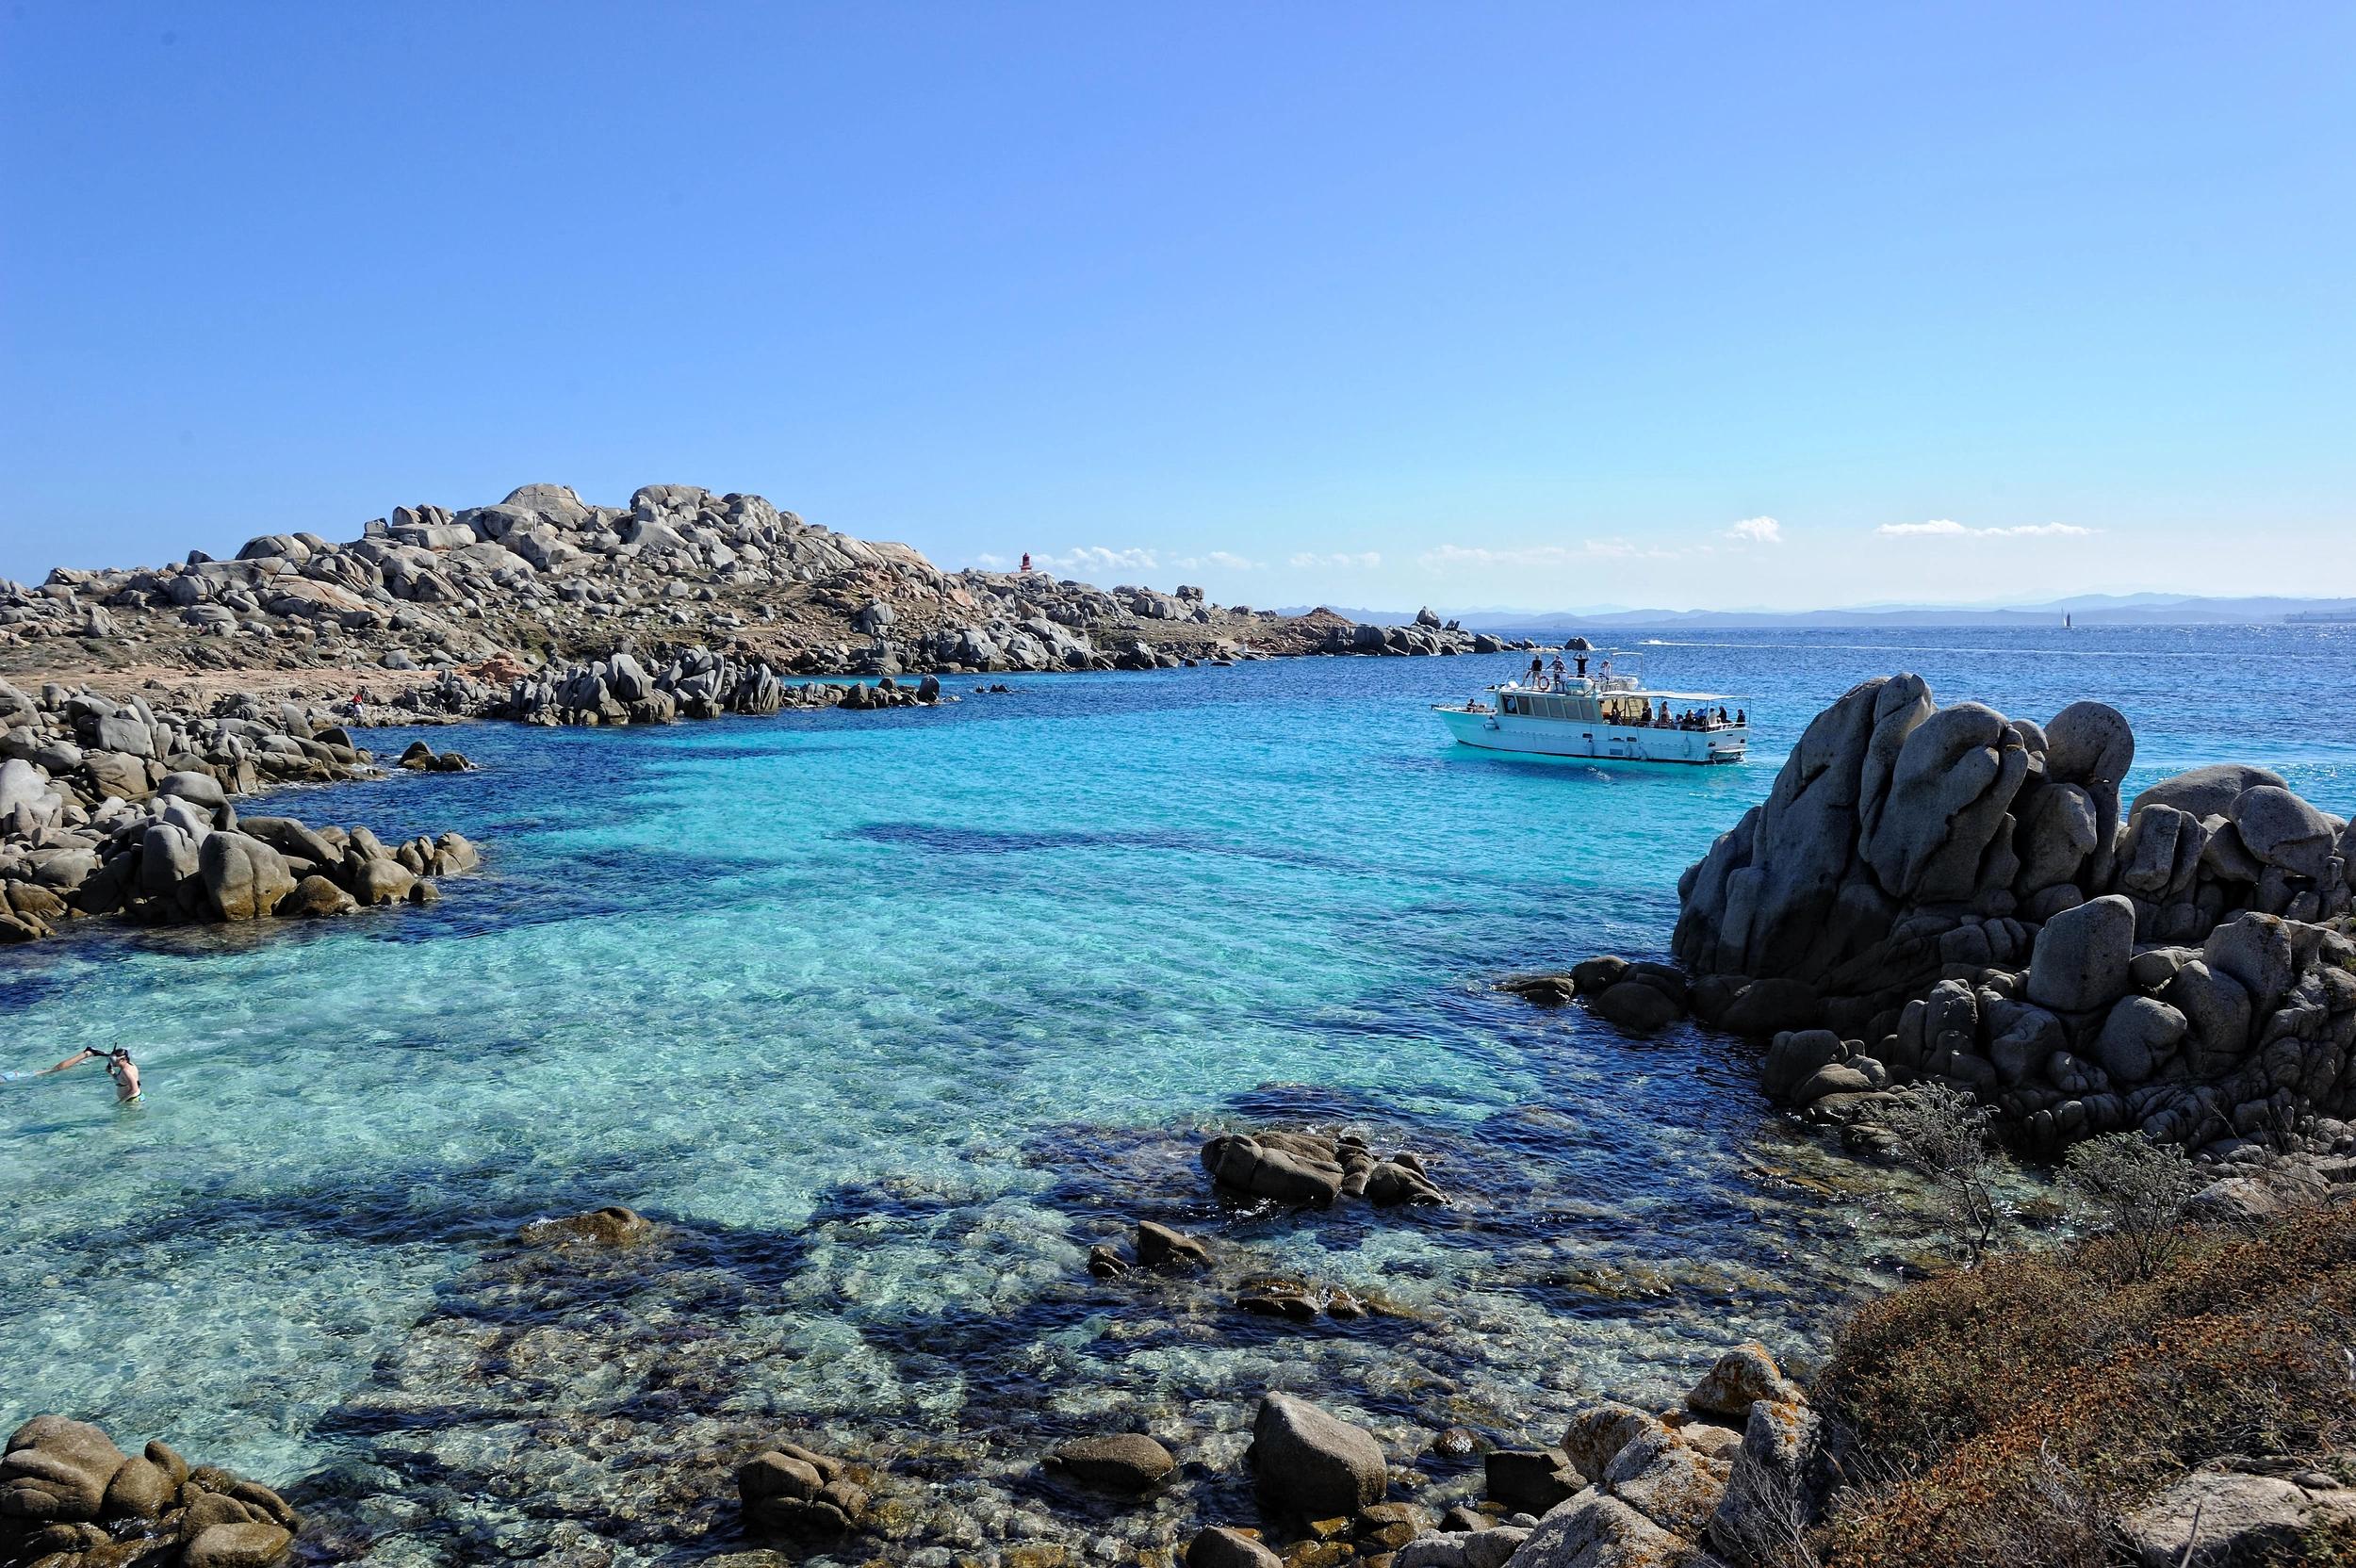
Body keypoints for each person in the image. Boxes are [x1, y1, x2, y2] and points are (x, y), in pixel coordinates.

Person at [43, 1047, 141, 1103]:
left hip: (132, 1101)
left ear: (123, 1060)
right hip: (131, 1100)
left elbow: (134, 1090)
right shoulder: (129, 1065)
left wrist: (119, 1103)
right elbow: (123, 1083)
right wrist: (112, 1074)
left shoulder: (126, 1071)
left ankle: (89, 1053)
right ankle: (90, 1053)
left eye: (113, 1060)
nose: (111, 1062)